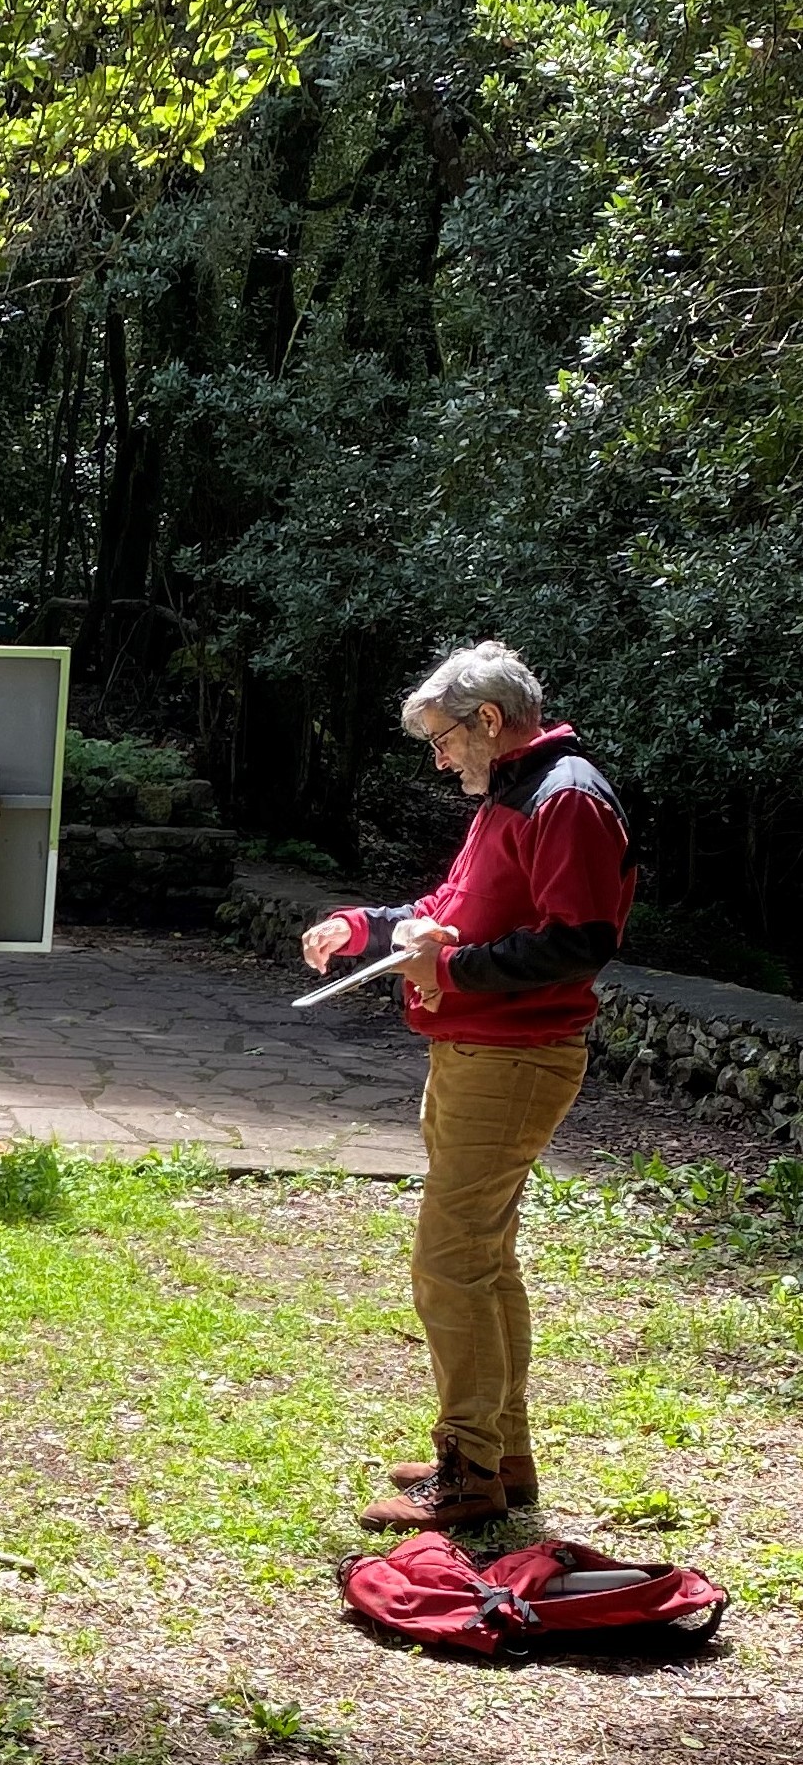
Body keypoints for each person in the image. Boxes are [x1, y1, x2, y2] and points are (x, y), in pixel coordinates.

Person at [302, 642, 636, 1532]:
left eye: (443, 740)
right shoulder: (514, 791)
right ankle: (500, 1452)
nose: (439, 758)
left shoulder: (562, 795)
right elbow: (449, 905)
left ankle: (468, 1471)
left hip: (514, 1058)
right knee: (484, 1264)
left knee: (449, 1264)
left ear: (488, 721)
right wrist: (360, 926)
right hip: (477, 1051)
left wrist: (452, 973)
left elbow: (579, 939)